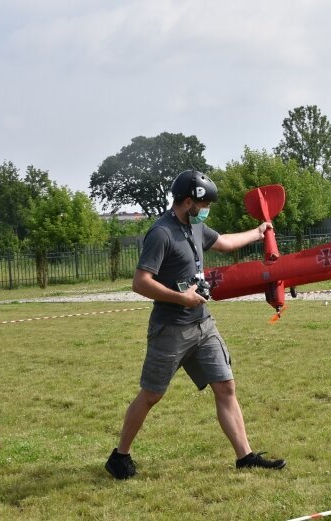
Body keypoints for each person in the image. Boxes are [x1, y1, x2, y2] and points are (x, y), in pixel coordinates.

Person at [105, 170, 286, 479]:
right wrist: (181, 298)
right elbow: (140, 282)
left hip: (203, 325)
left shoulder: (195, 227)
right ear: (187, 201)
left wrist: (257, 233)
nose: (207, 211)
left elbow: (226, 243)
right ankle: (119, 456)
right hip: (170, 329)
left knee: (226, 386)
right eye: (204, 205)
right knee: (151, 395)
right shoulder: (161, 233)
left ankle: (245, 456)